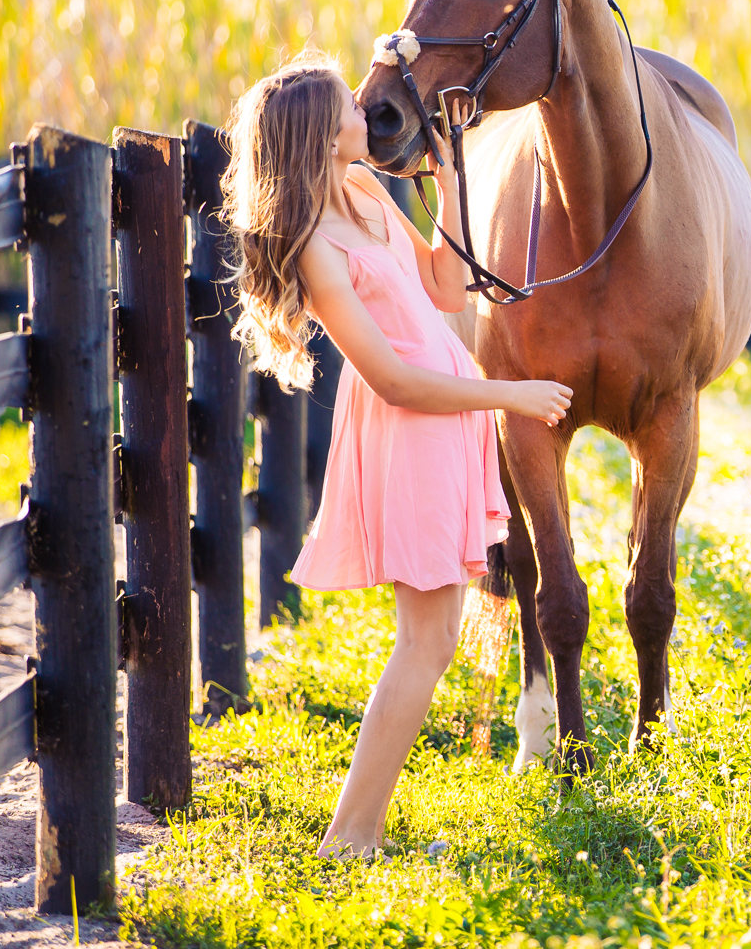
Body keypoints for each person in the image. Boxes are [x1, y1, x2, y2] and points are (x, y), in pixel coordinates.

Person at [220, 52, 572, 857]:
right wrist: (510, 396)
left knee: (433, 638)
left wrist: (447, 185)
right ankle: (350, 838)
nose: (365, 110)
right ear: (320, 129)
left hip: (448, 424)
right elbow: (393, 379)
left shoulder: (369, 191)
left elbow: (449, 290)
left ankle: (356, 833)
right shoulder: (316, 246)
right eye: (351, 103)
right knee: (427, 640)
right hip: (412, 429)